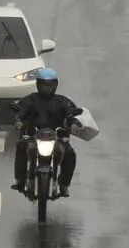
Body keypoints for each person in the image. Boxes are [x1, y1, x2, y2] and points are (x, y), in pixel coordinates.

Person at [12, 67, 83, 198]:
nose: (47, 88)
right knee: (21, 147)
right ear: (38, 84)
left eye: (50, 85)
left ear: (55, 85)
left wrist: (74, 122)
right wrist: (18, 121)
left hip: (56, 139)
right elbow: (19, 111)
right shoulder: (30, 100)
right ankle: (20, 181)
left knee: (70, 154)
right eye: (44, 85)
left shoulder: (63, 101)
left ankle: (64, 184)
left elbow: (72, 112)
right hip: (33, 137)